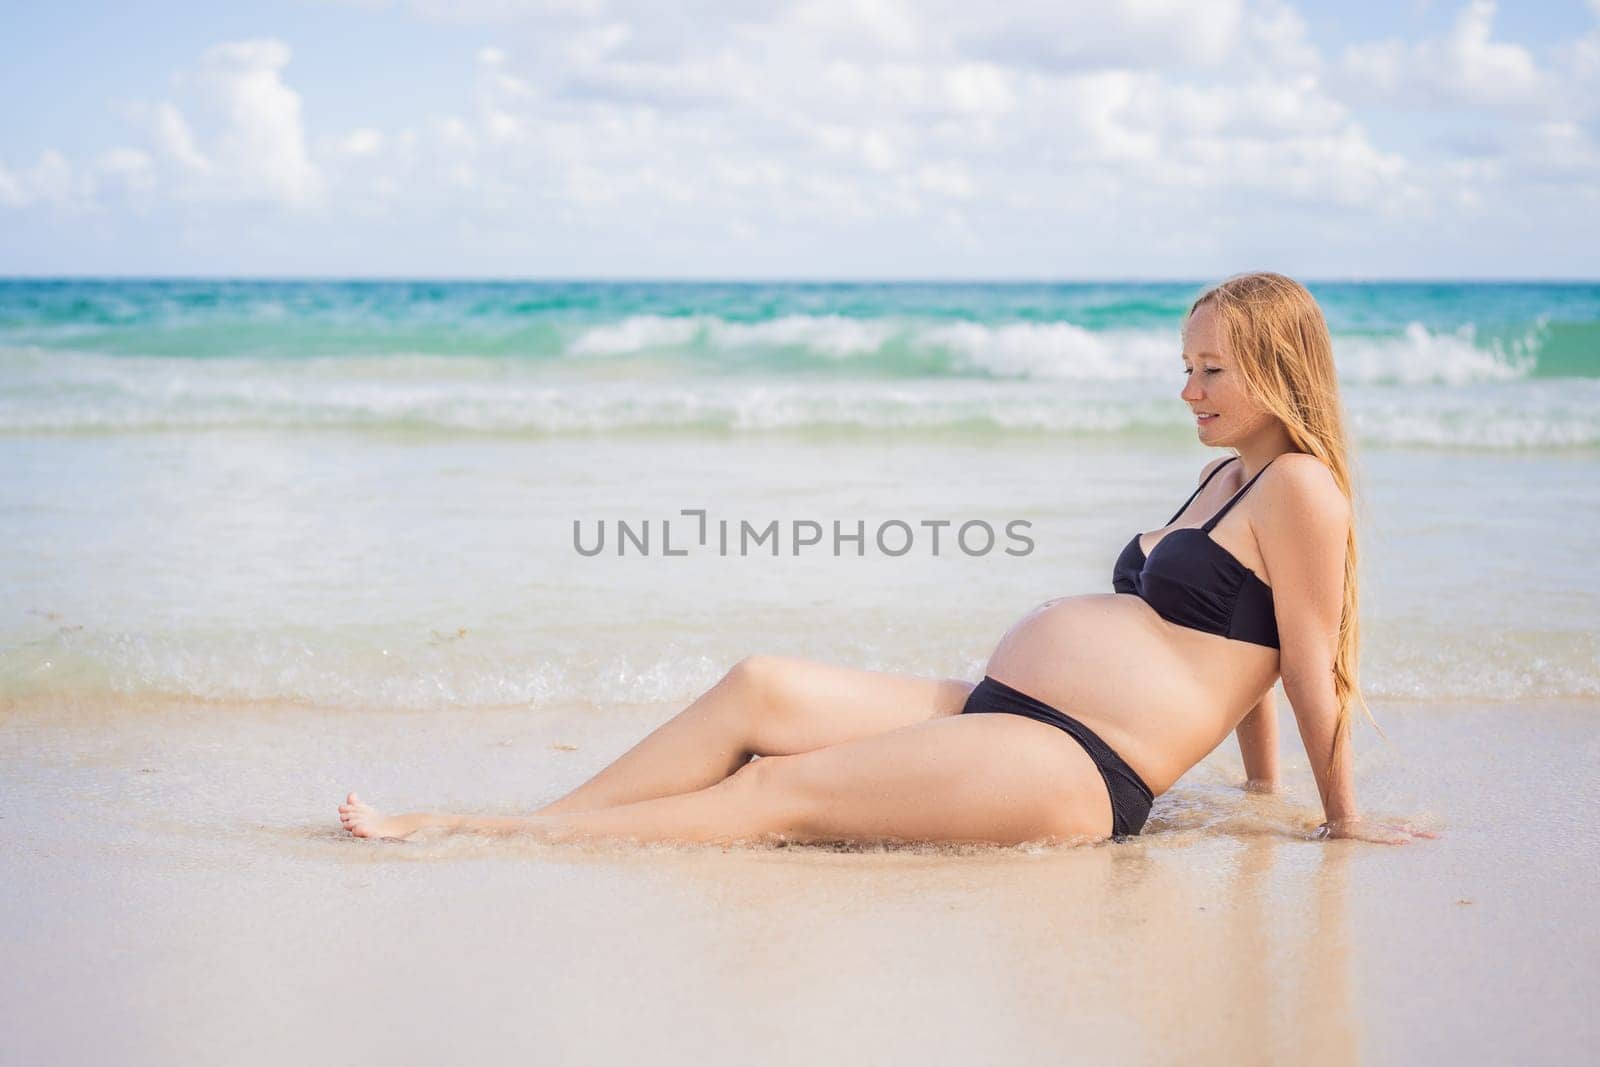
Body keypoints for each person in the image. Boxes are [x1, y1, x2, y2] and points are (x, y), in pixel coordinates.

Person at [338, 272, 1433, 848]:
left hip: (1071, 767)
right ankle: (548, 820)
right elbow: (1224, 643)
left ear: (1276, 370)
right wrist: (1252, 793)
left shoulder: (1300, 486)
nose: (1187, 389)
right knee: (759, 685)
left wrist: (1333, 818)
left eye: (1210, 372)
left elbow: (1300, 665)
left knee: (778, 793)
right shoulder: (1232, 474)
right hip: (1005, 714)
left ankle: (475, 833)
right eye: (1184, 366)